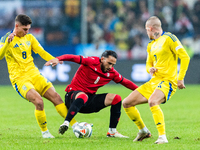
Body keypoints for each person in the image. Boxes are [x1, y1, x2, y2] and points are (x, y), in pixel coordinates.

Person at [0, 14, 78, 138]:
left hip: (34, 74)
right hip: (20, 79)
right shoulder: (5, 39)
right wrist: (7, 44)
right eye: (25, 29)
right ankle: (45, 132)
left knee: (56, 97)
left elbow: (41, 52)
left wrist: (54, 59)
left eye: (28, 29)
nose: (27, 32)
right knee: (39, 101)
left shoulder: (30, 38)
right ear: (16, 26)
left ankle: (75, 126)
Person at [122, 16, 190, 144]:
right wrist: (150, 69)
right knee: (126, 103)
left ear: (150, 28)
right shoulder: (151, 44)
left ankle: (162, 137)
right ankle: (143, 131)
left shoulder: (170, 38)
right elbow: (148, 64)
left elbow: (185, 57)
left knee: (153, 101)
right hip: (153, 82)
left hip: (168, 81)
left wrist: (180, 78)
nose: (146, 33)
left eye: (146, 30)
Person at [45, 50, 138, 137]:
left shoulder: (111, 73)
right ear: (102, 59)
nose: (110, 67)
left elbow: (125, 82)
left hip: (88, 101)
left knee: (116, 98)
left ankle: (112, 131)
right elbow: (72, 57)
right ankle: (66, 122)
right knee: (83, 96)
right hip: (72, 97)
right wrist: (58, 59)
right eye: (109, 63)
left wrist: (140, 91)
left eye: (113, 65)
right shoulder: (91, 61)